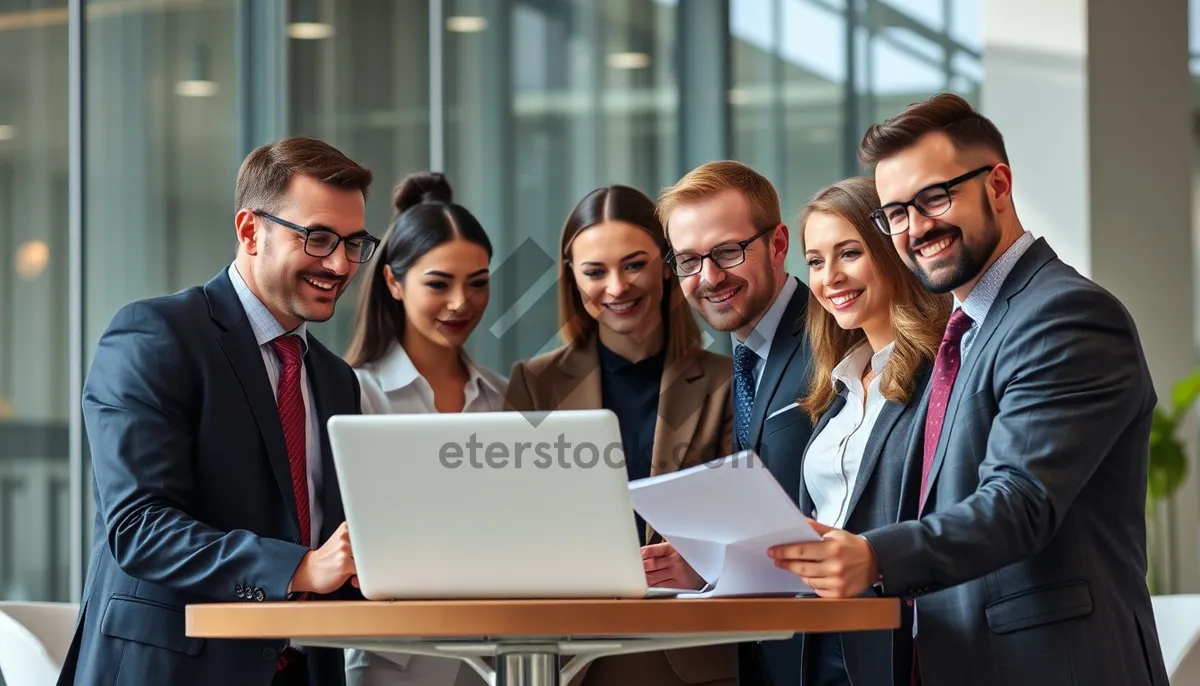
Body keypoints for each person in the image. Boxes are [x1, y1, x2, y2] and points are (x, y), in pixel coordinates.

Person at [768, 93, 1170, 686]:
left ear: (998, 184)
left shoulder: (1064, 314)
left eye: (935, 197)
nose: (916, 228)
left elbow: (1020, 500)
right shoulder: (967, 333)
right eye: (896, 213)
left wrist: (876, 556)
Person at [58, 137, 376, 686]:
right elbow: (139, 528)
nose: (340, 263)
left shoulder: (334, 378)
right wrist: (298, 567)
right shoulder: (154, 336)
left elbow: (329, 542)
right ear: (251, 231)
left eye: (354, 243)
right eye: (319, 238)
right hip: (173, 670)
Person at [505, 185, 736, 686]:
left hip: (690, 648)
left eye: (634, 264)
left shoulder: (726, 380)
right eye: (594, 271)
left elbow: (744, 517)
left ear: (666, 264)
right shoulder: (534, 382)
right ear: (572, 277)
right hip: (572, 652)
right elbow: (515, 519)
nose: (616, 287)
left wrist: (704, 559)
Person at [786, 177, 950, 686]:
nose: (829, 276)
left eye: (849, 253)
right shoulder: (837, 388)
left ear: (890, 251)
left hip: (904, 639)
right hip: (821, 638)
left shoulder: (942, 375)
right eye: (815, 261)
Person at [656, 160, 814, 686]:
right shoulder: (740, 358)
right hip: (767, 653)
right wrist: (711, 565)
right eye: (688, 261)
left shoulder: (835, 341)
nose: (709, 277)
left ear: (777, 244)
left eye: (727, 251)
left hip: (831, 655)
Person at [341, 171, 502, 686]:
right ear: (393, 281)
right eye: (439, 283)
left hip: (500, 651)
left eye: (477, 283)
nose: (461, 303)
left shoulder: (506, 400)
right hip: (392, 657)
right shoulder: (353, 396)